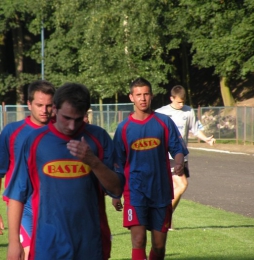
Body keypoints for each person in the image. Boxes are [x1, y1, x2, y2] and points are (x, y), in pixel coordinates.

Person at [4, 82, 124, 260]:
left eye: (77, 119)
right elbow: (17, 194)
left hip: (91, 242)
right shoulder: (35, 141)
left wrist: (93, 161)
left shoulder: (98, 138)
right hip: (48, 243)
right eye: (66, 118)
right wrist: (14, 242)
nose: (71, 126)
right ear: (55, 109)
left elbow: (116, 189)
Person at [112, 77, 188, 260]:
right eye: (138, 95)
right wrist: (116, 194)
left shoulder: (164, 122)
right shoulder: (123, 128)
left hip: (160, 192)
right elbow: (117, 165)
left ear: (151, 96)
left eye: (146, 94)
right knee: (138, 241)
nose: (143, 98)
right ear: (131, 97)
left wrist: (178, 162)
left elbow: (177, 149)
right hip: (135, 192)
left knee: (159, 246)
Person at [0, 79, 55, 257]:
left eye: (49, 105)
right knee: (27, 252)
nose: (44, 110)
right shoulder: (12, 132)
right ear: (29, 104)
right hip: (22, 207)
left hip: (53, 206)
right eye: (39, 105)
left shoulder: (61, 131)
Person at [155, 85, 216, 230]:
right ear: (171, 99)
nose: (181, 105)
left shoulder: (189, 111)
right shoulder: (161, 112)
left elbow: (195, 129)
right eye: (178, 102)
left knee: (177, 188)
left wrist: (206, 139)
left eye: (183, 102)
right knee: (182, 185)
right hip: (167, 155)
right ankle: (163, 216)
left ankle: (167, 220)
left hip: (182, 156)